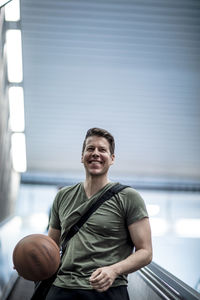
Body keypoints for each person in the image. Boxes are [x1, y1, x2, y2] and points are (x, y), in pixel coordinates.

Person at [46, 127, 152, 300]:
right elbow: (51, 246)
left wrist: (114, 270)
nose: (95, 153)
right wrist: (30, 260)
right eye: (90, 148)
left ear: (112, 159)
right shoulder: (63, 196)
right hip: (62, 288)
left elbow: (146, 252)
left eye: (102, 150)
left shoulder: (129, 197)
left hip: (107, 290)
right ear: (82, 157)